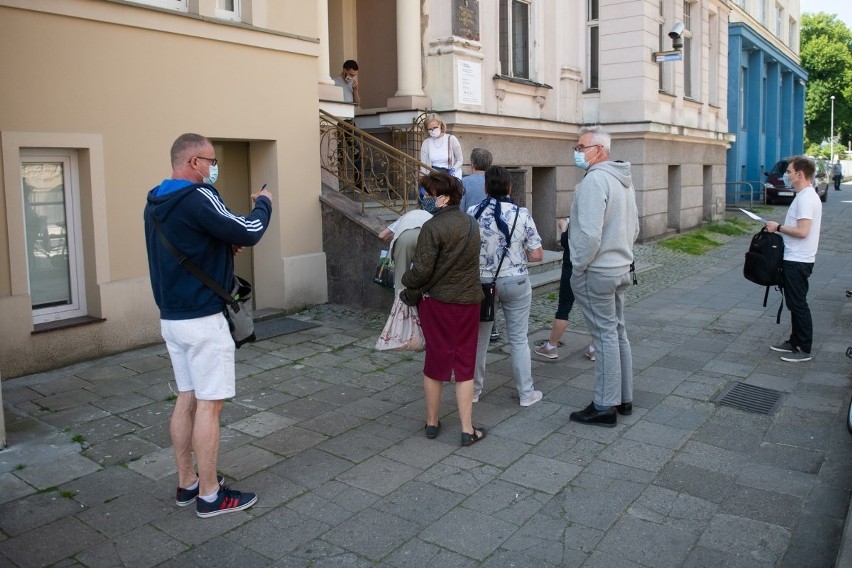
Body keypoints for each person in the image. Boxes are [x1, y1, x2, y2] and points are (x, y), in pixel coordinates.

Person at [143, 133, 273, 517]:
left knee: (187, 397)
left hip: (172, 318)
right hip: (203, 319)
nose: (214, 168)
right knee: (209, 407)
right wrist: (264, 204)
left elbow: (192, 242)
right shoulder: (199, 196)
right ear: (193, 162)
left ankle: (187, 483)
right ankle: (211, 495)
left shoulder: (156, 201)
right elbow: (249, 231)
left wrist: (220, 246)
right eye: (211, 160)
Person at [401, 172, 486, 446]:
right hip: (469, 302)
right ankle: (466, 428)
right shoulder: (472, 223)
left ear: (444, 197)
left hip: (438, 303)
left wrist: (407, 280)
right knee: (464, 365)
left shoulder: (432, 228)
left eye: (427, 194)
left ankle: (432, 422)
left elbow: (422, 271)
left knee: (436, 361)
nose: (423, 199)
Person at [568, 126, 639, 428]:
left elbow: (589, 234)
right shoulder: (622, 179)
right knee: (617, 332)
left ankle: (604, 405)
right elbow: (635, 227)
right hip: (621, 267)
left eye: (581, 146)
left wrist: (578, 265)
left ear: (599, 150)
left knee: (604, 336)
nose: (577, 151)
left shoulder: (595, 180)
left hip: (597, 271)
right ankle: (623, 397)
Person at [470, 166, 544, 407]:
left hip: (482, 283)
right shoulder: (521, 214)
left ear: (485, 188)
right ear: (510, 188)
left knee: (479, 340)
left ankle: (472, 391)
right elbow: (536, 255)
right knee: (519, 339)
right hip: (516, 280)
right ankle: (526, 393)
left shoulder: (473, 212)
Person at [765, 155, 823, 362]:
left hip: (798, 260)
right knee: (793, 302)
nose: (786, 175)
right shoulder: (804, 196)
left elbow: (803, 231)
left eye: (789, 172)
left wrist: (778, 227)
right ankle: (794, 340)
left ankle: (804, 348)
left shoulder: (807, 198)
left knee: (798, 304)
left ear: (800, 174)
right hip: (795, 257)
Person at [534, 218, 595, 361]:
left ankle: (551, 347)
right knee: (594, 308)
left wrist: (564, 228)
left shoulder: (581, 213)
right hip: (593, 268)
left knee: (564, 308)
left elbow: (566, 242)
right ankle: (595, 347)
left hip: (572, 267)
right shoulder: (599, 215)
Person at [378, 209, 433, 292]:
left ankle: (400, 302)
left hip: (404, 241)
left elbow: (382, 235)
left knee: (400, 279)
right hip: (425, 240)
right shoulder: (433, 217)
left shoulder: (406, 216)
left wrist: (394, 239)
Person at [420, 113, 463, 181]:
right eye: (430, 129)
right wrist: (423, 181)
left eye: (435, 127)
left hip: (448, 176)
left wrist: (453, 169)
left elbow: (460, 160)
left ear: (441, 125)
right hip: (433, 178)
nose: (433, 131)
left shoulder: (451, 139)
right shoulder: (426, 143)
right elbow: (423, 165)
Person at [459, 148, 493, 213]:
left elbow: (460, 209)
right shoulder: (494, 181)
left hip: (470, 221)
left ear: (472, 164)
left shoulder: (463, 182)